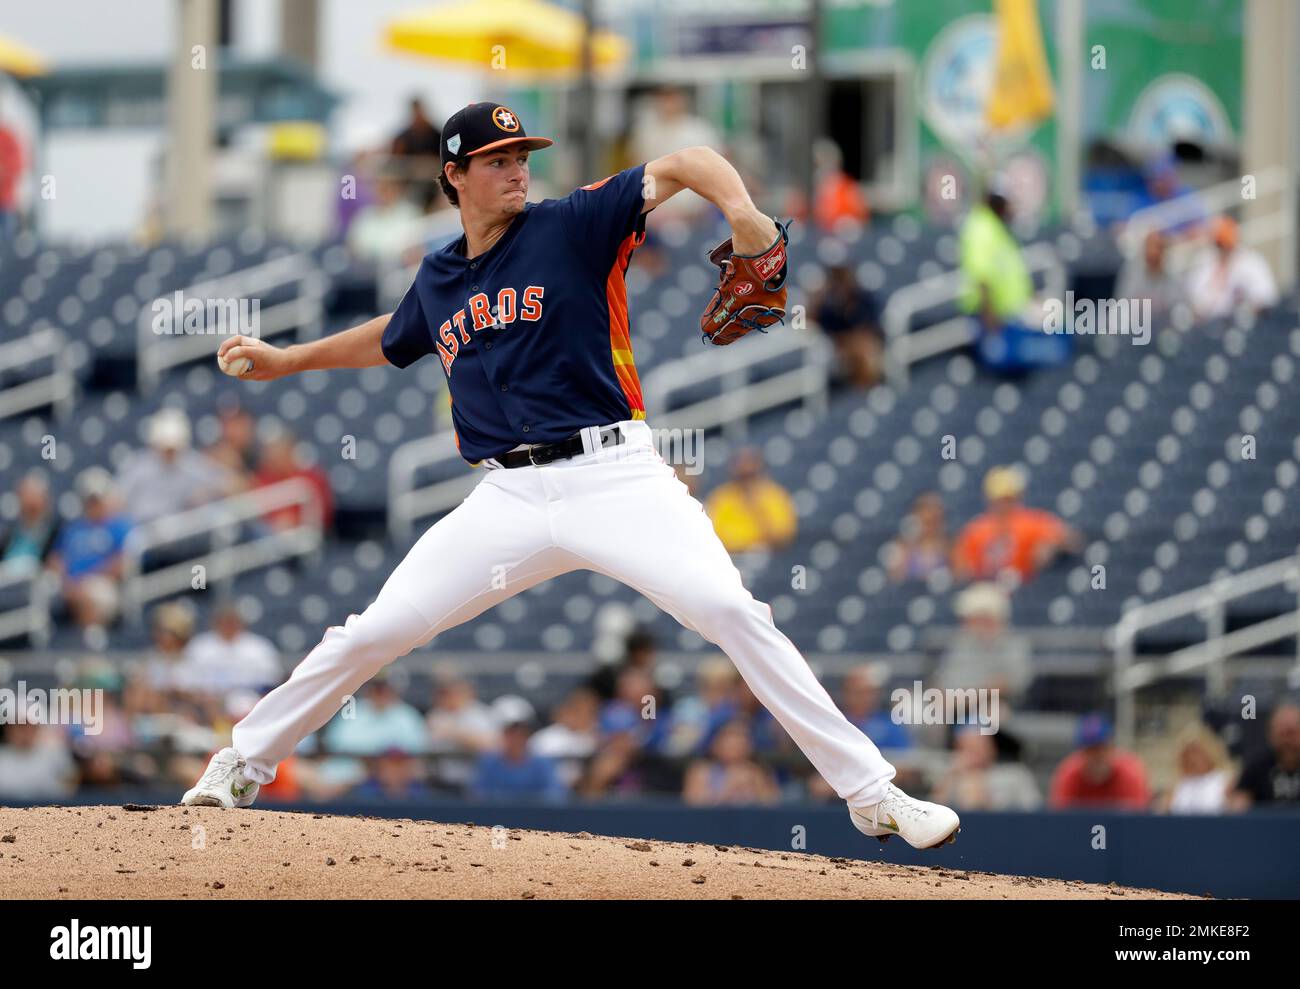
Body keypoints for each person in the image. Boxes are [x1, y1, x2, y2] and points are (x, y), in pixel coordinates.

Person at [188, 100, 960, 851]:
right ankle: (242, 760)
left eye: (523, 157)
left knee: (731, 609)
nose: (518, 170)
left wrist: (745, 215)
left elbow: (688, 162)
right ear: (454, 176)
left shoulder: (573, 225)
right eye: (498, 161)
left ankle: (872, 794)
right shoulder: (440, 275)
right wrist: (290, 360)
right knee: (377, 630)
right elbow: (391, 337)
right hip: (509, 497)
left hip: (617, 475)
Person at [952, 466, 1080, 584]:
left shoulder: (1032, 522)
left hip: (1026, 585)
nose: (1003, 505)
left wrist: (1052, 547)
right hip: (988, 587)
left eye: (1008, 499)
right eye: (999, 500)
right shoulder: (976, 529)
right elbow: (961, 568)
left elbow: (1072, 540)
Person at [49, 468, 133, 641]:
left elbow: (123, 562)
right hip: (71, 585)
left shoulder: (120, 526)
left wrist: (86, 582)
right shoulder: (74, 528)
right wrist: (67, 583)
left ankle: (90, 642)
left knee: (92, 595)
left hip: (105, 584)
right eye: (90, 500)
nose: (93, 505)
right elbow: (56, 559)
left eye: (97, 500)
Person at [115, 409, 236, 525]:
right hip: (144, 530)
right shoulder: (139, 466)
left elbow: (230, 484)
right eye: (165, 448)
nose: (169, 453)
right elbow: (116, 500)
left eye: (173, 449)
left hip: (181, 533)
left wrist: (206, 493)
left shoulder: (191, 463)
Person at [934, 582, 1033, 707]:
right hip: (954, 706)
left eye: (975, 618)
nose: (968, 624)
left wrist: (971, 697)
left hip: (997, 705)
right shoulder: (961, 642)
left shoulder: (1014, 644)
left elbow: (1012, 682)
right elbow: (944, 679)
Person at [705, 447, 798, 555]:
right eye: (743, 477)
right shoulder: (721, 497)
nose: (747, 482)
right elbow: (714, 536)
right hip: (732, 557)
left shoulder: (775, 495)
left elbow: (783, 534)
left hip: (771, 556)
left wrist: (756, 507)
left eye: (750, 476)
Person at [1048, 713, 1150, 810]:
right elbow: (1059, 821)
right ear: (1081, 752)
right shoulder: (1069, 774)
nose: (1096, 756)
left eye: (1101, 748)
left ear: (1111, 747)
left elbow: (1138, 822)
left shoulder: (1129, 774)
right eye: (1090, 750)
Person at [1186, 216, 1280, 319]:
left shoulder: (1250, 262)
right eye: (1219, 245)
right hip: (1211, 322)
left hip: (1244, 322)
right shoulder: (1204, 261)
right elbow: (1196, 303)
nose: (1223, 249)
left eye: (1226, 245)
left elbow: (1265, 297)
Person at [179, 602, 282, 694]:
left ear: (240, 622)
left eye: (232, 621)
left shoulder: (258, 647)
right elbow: (186, 677)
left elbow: (272, 677)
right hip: (206, 698)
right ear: (215, 622)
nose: (228, 625)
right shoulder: (200, 646)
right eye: (223, 621)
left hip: (246, 695)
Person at [931, 728, 1041, 811]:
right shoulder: (950, 775)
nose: (975, 754)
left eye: (980, 747)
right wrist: (950, 777)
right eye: (968, 748)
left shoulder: (1016, 774)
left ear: (992, 750)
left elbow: (1034, 809)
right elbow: (934, 813)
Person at [682, 718, 781, 806]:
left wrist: (755, 783)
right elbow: (693, 806)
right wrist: (728, 790)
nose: (734, 743)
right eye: (729, 736)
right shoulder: (700, 771)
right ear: (715, 743)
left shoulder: (758, 772)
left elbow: (772, 806)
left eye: (741, 737)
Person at [815, 264, 883, 389]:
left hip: (864, 350)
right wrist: (817, 297)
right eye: (837, 283)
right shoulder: (828, 310)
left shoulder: (865, 300)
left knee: (865, 348)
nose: (841, 288)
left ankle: (868, 384)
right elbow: (806, 326)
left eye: (844, 281)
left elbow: (874, 330)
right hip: (841, 355)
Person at [1228, 702, 1300, 809]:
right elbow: (1239, 800)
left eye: (1292, 733)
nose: (1287, 742)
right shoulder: (1258, 765)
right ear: (1271, 734)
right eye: (1282, 734)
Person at [1155, 723, 1233, 814]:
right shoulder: (1176, 787)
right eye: (1188, 753)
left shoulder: (1224, 782)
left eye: (1197, 752)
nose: (1193, 759)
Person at [390, 97, 443, 212]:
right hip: (411, 186)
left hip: (435, 184)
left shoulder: (437, 134)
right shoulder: (402, 139)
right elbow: (396, 162)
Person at [1, 470, 62, 570]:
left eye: (33, 496)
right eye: (25, 496)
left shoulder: (55, 532)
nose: (29, 502)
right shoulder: (11, 534)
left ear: (45, 499)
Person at [1114, 229, 1183, 317]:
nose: (1154, 252)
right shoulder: (1132, 270)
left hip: (1163, 322)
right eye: (1150, 246)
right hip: (1135, 321)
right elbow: (1123, 300)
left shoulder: (1172, 272)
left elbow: (1177, 304)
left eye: (1159, 247)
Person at [886, 491, 950, 582]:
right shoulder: (902, 545)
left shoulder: (949, 545)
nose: (930, 527)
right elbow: (894, 578)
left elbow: (958, 575)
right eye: (927, 522)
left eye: (934, 521)